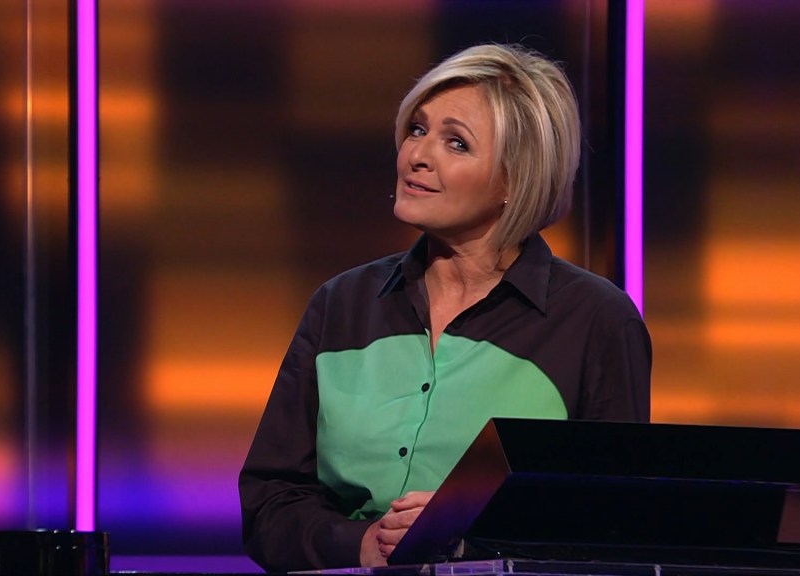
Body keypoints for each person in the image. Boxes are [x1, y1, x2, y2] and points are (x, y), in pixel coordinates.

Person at [238, 42, 651, 573]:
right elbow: (270, 500)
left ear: (514, 179)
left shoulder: (595, 321)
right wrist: (360, 544)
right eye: (417, 129)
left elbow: (616, 521)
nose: (418, 155)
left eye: (456, 143)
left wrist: (466, 530)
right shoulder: (341, 304)